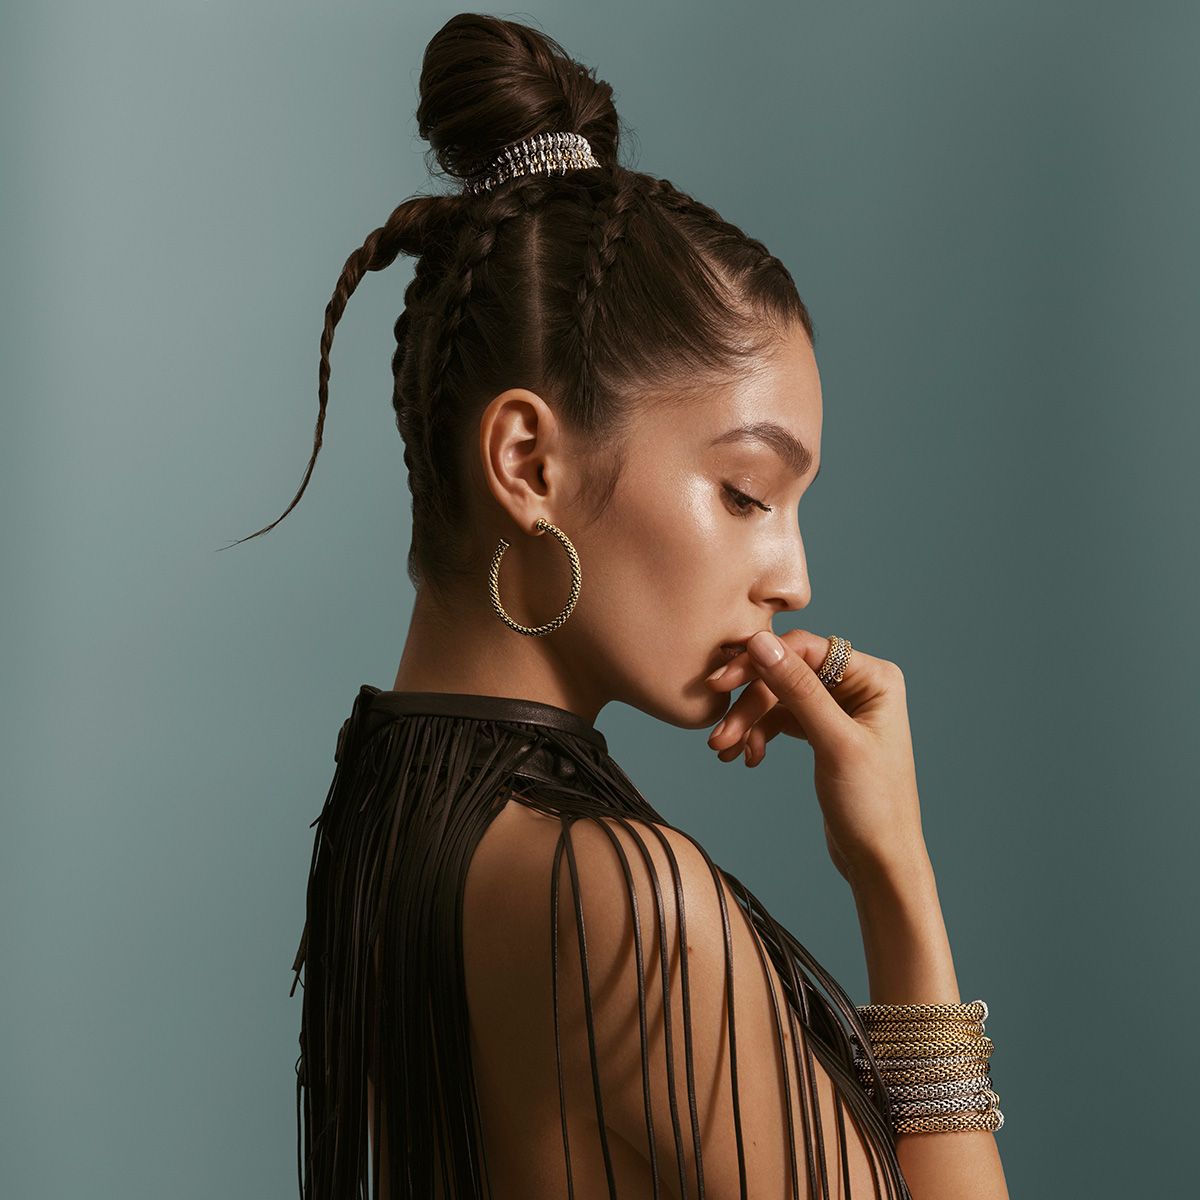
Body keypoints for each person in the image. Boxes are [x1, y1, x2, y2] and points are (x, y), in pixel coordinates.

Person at [237, 13, 1012, 1199]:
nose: (794, 578)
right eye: (746, 492)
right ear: (528, 464)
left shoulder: (385, 807)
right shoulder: (625, 909)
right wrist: (896, 876)